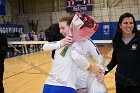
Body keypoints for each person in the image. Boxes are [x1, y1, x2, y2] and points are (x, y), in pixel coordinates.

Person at [42, 16, 103, 93]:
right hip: (66, 85)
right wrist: (91, 68)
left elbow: (98, 58)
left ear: (72, 27)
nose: (60, 31)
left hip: (80, 84)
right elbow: (45, 46)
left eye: (63, 28)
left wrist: (100, 71)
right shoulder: (62, 42)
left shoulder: (85, 41)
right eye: (59, 28)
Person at [105, 12, 140, 93]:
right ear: (120, 25)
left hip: (137, 83)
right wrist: (103, 72)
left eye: (131, 23)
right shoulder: (117, 40)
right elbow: (114, 60)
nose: (129, 25)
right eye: (125, 23)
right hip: (120, 83)